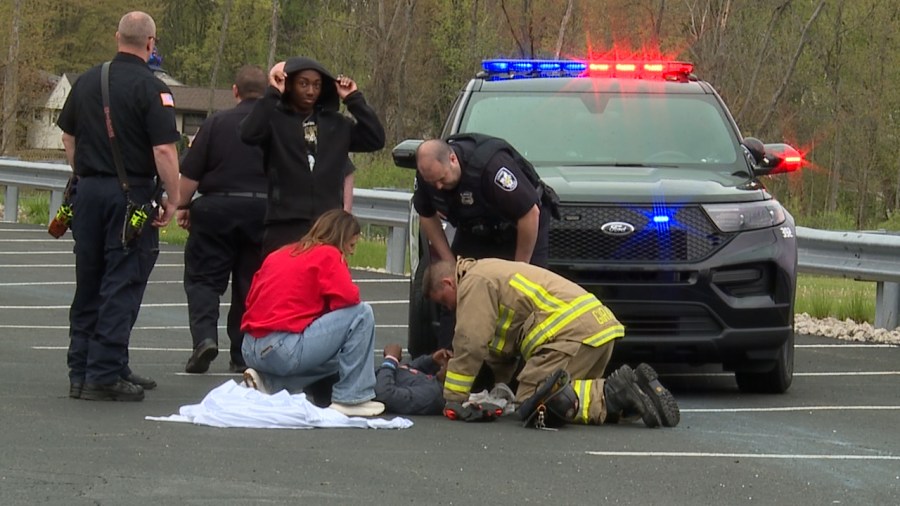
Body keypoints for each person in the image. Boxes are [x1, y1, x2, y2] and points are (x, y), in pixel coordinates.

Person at [58, 11, 182, 402]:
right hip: (131, 196)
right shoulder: (153, 89)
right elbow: (164, 150)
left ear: (117, 37)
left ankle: (82, 369)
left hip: (87, 193)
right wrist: (175, 198)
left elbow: (68, 138)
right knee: (122, 282)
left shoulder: (87, 80)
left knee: (90, 280)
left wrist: (85, 174)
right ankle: (104, 372)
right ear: (151, 43)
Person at [424, 258, 680, 428]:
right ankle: (637, 395)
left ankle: (616, 392)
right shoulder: (490, 273)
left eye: (444, 301)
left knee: (533, 401)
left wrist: (453, 397)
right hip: (595, 329)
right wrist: (497, 388)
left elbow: (470, 342)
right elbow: (501, 350)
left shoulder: (473, 282)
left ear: (449, 282)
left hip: (570, 335)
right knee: (571, 399)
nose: (449, 309)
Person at [414, 134, 557, 350]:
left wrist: (519, 270)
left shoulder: (492, 167)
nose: (439, 186)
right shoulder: (429, 174)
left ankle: (527, 359)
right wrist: (450, 262)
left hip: (520, 227)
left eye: (442, 179)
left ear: (453, 159)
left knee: (524, 294)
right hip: (476, 229)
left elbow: (529, 214)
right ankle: (449, 357)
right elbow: (426, 215)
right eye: (433, 182)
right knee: (458, 287)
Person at [240, 209, 385, 417]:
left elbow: (251, 299)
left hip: (250, 347)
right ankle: (352, 397)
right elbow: (349, 299)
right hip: (282, 348)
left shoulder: (280, 253)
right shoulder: (329, 253)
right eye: (351, 245)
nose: (352, 252)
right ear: (341, 239)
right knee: (362, 314)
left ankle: (268, 383)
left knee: (343, 355)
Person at [240, 58, 385, 256]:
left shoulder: (336, 124)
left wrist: (353, 98)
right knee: (283, 275)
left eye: (317, 85)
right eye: (303, 84)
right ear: (290, 85)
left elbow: (375, 139)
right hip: (284, 222)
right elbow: (248, 133)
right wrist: (273, 93)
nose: (311, 91)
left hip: (327, 225)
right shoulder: (275, 121)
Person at [176, 65, 268, 375]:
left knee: (203, 279)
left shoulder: (216, 123)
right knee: (250, 283)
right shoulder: (278, 126)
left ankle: (204, 338)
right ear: (266, 92)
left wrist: (182, 205)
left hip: (217, 209)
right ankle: (242, 354)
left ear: (235, 91)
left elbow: (190, 173)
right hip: (263, 212)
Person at [374, 343, 450, 416]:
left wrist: (391, 359)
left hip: (370, 384)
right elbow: (409, 371)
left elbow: (385, 394)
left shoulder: (432, 394)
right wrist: (430, 360)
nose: (447, 361)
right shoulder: (436, 382)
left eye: (451, 362)